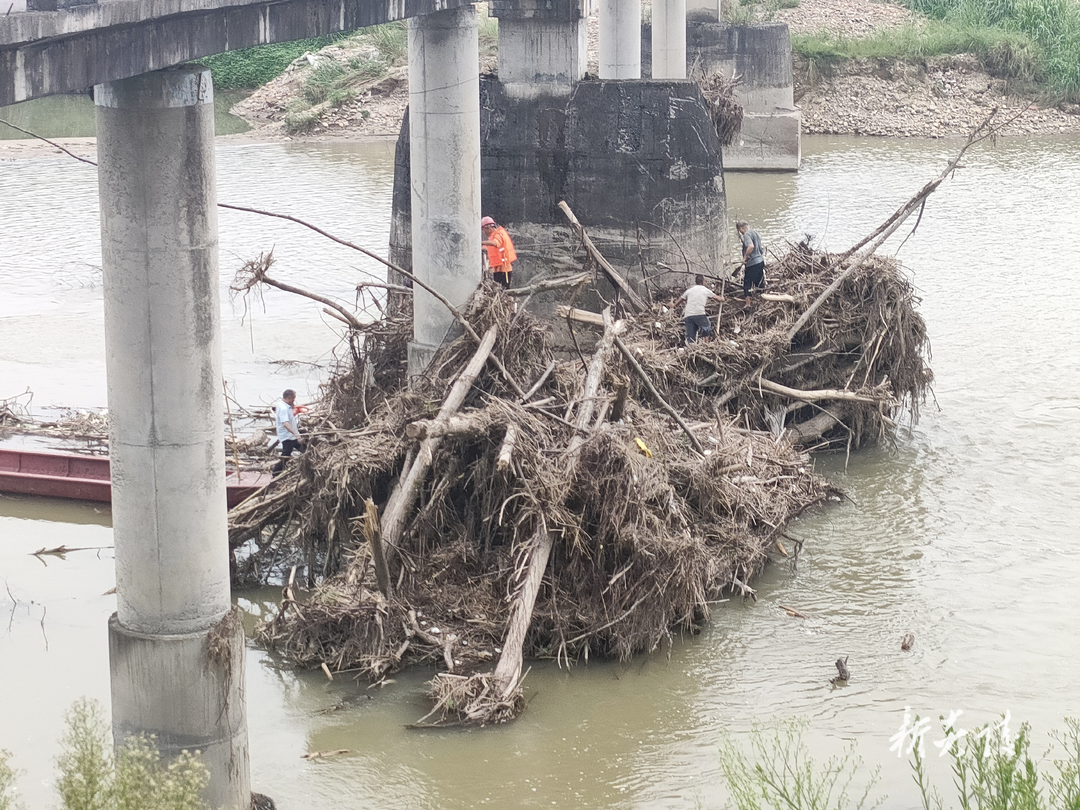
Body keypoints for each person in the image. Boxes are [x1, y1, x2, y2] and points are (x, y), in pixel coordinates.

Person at [676, 274, 725, 344]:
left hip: (688, 315)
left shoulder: (689, 290)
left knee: (690, 334)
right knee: (706, 327)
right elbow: (718, 298)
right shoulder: (705, 290)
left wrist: (673, 305)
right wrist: (722, 298)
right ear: (703, 282)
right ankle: (706, 343)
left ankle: (690, 347)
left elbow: (680, 300)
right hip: (699, 313)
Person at [272, 389, 304, 475]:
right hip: (287, 436)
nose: (294, 400)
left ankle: (306, 465)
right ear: (289, 398)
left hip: (291, 436)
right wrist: (297, 435)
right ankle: (275, 474)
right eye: (293, 398)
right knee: (286, 455)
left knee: (304, 448)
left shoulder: (283, 404)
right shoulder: (283, 408)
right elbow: (286, 424)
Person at [736, 219, 766, 310]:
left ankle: (748, 305)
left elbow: (751, 246)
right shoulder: (755, 233)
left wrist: (745, 257)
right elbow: (760, 249)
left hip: (752, 263)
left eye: (739, 231)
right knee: (760, 282)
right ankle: (763, 301)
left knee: (747, 283)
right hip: (760, 261)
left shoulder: (747, 234)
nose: (740, 233)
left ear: (741, 228)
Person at [481, 216, 517, 289]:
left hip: (504, 269)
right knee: (497, 289)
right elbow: (489, 247)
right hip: (497, 268)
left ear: (489, 228)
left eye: (484, 230)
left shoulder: (498, 234)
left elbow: (495, 243)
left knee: (505, 290)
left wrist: (480, 242)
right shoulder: (493, 237)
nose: (485, 232)